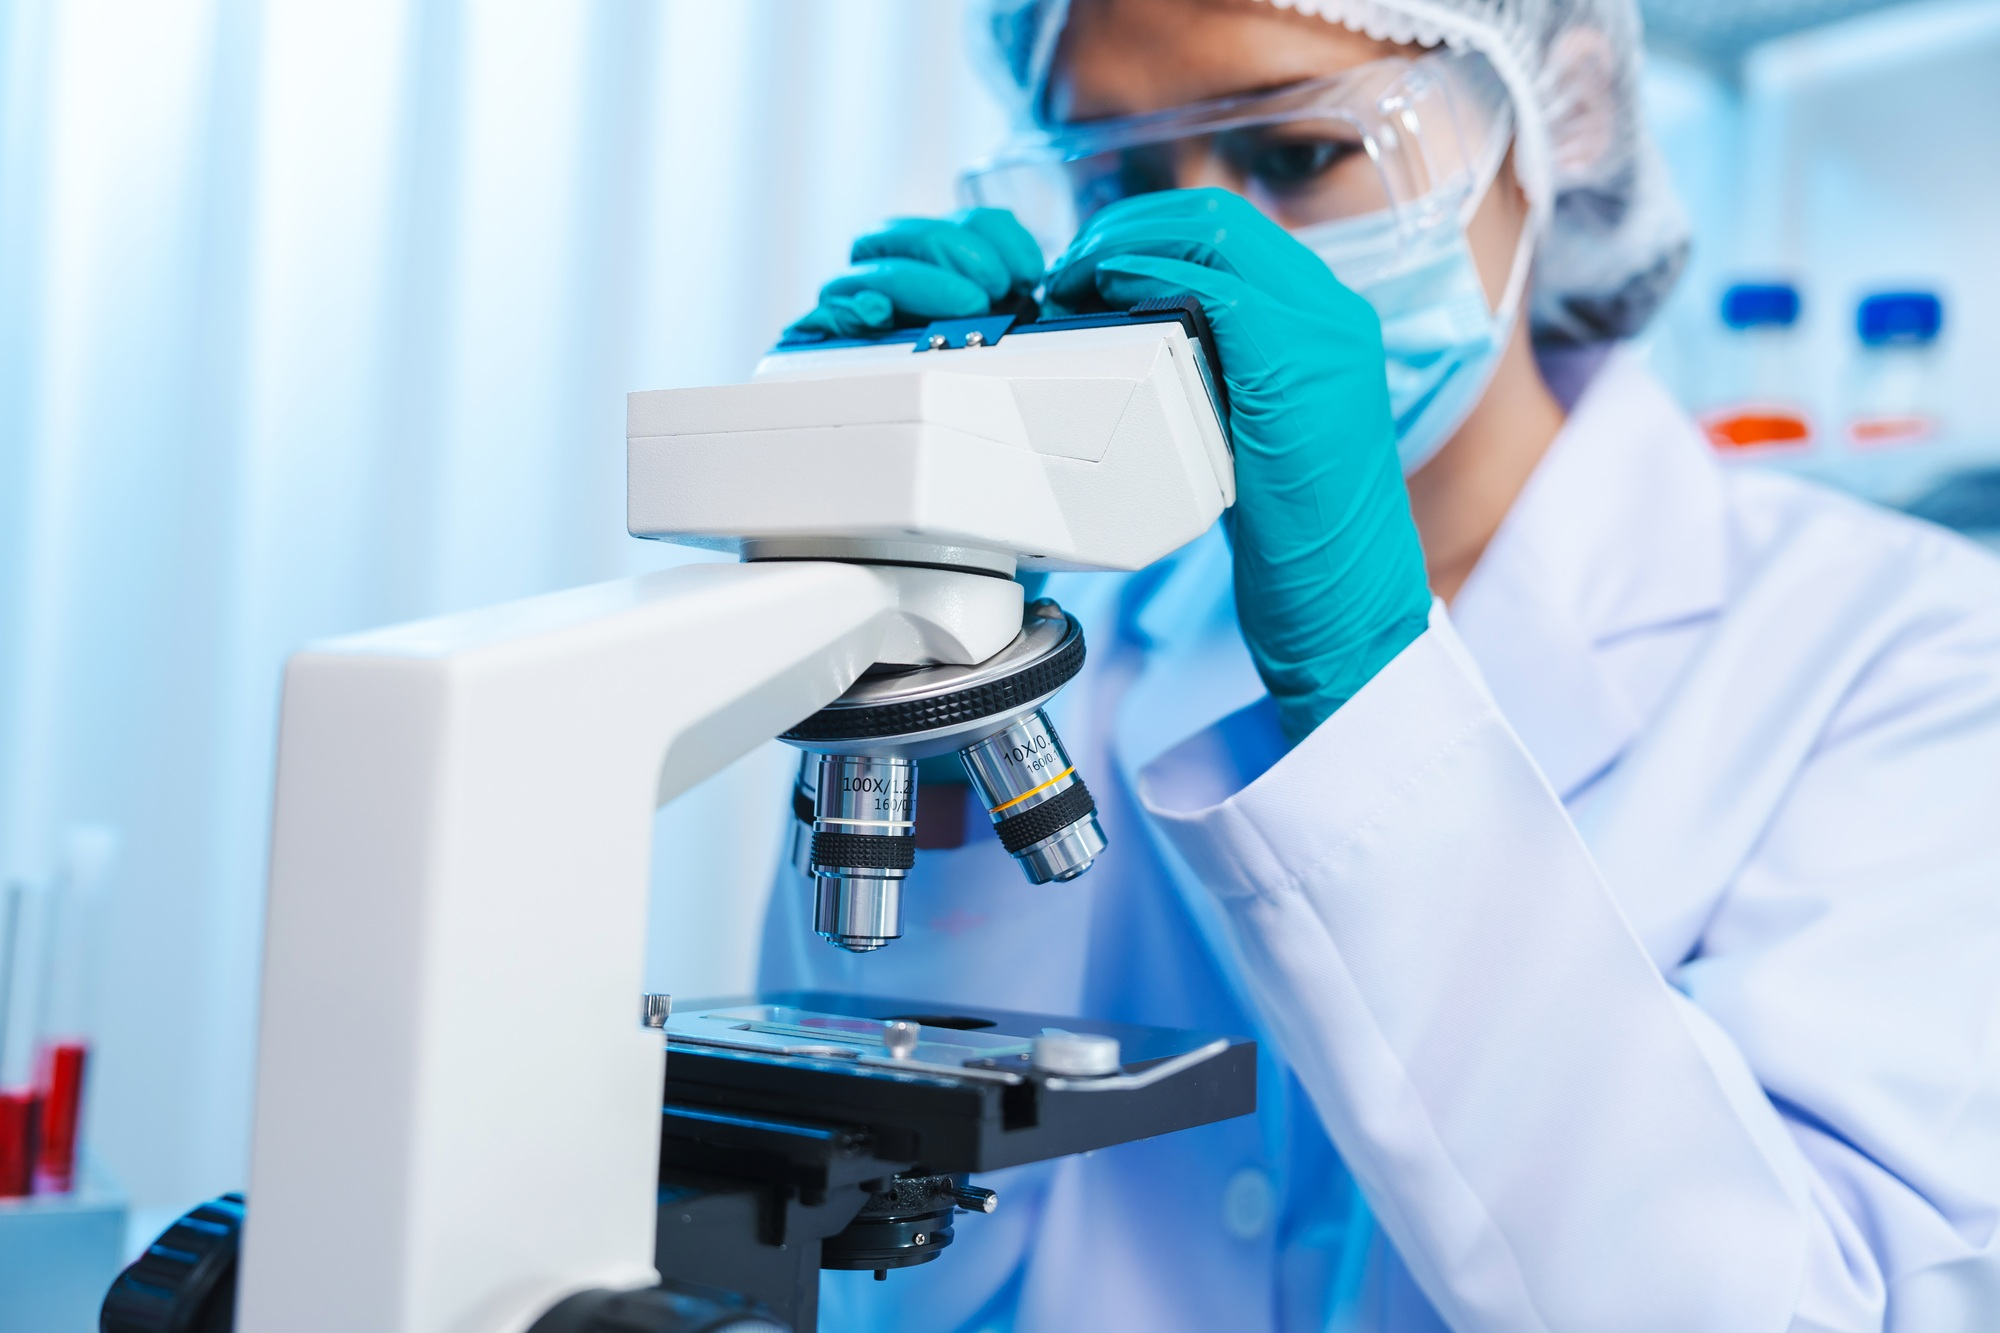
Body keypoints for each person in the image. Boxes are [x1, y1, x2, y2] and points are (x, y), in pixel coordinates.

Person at [760, 0, 2000, 1328]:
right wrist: (925, 644)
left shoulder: (1905, 647)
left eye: (1296, 154)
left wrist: (1371, 693)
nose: (1200, 256)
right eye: (1118, 179)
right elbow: (881, 1280)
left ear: (1547, 126)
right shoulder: (1065, 640)